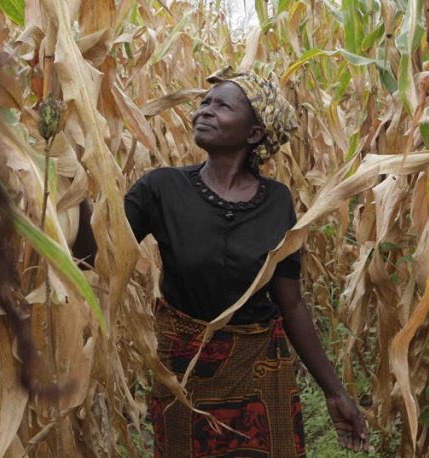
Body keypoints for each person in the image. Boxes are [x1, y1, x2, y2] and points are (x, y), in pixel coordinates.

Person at [73, 66, 367, 457]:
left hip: (260, 368)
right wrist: (72, 188)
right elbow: (97, 258)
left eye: (222, 106)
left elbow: (291, 302)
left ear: (254, 133)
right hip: (184, 370)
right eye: (205, 103)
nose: (204, 111)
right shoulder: (161, 188)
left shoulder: (277, 201)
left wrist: (335, 392)